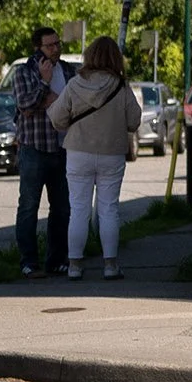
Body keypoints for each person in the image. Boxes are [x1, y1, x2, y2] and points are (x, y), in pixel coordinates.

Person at [51, 38, 142, 279]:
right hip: (112, 153)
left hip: (78, 152)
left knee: (78, 209)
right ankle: (110, 265)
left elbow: (57, 118)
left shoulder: (75, 84)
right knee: (109, 209)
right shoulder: (121, 87)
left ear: (89, 56)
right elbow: (134, 121)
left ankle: (74, 266)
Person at [11, 26, 72, 278]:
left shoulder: (68, 70)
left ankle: (56, 260)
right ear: (38, 47)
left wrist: (49, 99)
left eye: (57, 44)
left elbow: (75, 103)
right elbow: (25, 105)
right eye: (50, 45)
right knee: (28, 206)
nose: (56, 49)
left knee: (62, 209)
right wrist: (46, 85)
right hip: (34, 148)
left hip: (63, 148)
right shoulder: (23, 72)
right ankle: (29, 262)